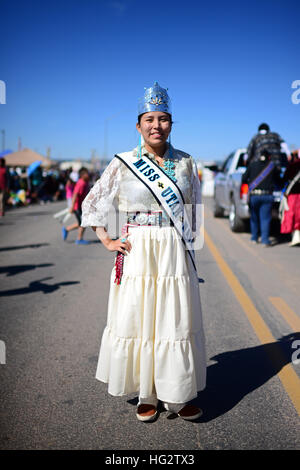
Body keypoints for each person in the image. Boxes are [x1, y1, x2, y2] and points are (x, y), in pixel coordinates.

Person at [81, 82, 206, 422]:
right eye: (149, 119)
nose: (156, 125)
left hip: (172, 251)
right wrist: (107, 239)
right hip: (137, 250)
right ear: (138, 125)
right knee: (141, 319)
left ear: (171, 123)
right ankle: (147, 394)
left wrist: (192, 253)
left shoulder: (185, 162)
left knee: (173, 321)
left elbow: (194, 209)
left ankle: (177, 395)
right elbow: (93, 202)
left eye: (164, 119)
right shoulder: (123, 162)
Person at [242, 149, 281, 246]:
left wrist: (251, 183)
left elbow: (243, 179)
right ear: (269, 157)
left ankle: (254, 238)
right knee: (265, 219)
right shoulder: (272, 166)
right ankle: (264, 240)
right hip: (267, 195)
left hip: (254, 195)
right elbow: (279, 181)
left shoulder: (252, 164)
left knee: (254, 218)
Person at [62, 167, 90, 244]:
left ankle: (67, 229)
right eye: (87, 174)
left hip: (82, 206)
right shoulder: (81, 183)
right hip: (77, 207)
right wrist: (72, 207)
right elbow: (75, 195)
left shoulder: (86, 182)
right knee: (83, 223)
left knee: (82, 222)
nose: (88, 175)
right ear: (82, 175)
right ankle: (79, 239)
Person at [280, 150, 300, 246]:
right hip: (294, 194)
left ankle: (295, 236)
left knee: (292, 215)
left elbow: (284, 178)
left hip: (292, 195)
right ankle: (296, 236)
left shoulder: (292, 166)